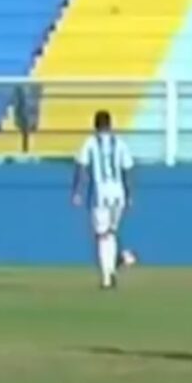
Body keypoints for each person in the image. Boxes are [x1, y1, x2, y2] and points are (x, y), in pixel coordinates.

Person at [71, 110, 135, 289]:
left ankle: (107, 275)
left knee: (102, 235)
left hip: (101, 194)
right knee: (111, 233)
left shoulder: (90, 143)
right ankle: (114, 266)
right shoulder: (120, 143)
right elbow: (127, 170)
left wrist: (77, 192)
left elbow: (82, 168)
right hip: (119, 194)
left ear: (95, 125)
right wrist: (130, 195)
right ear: (110, 125)